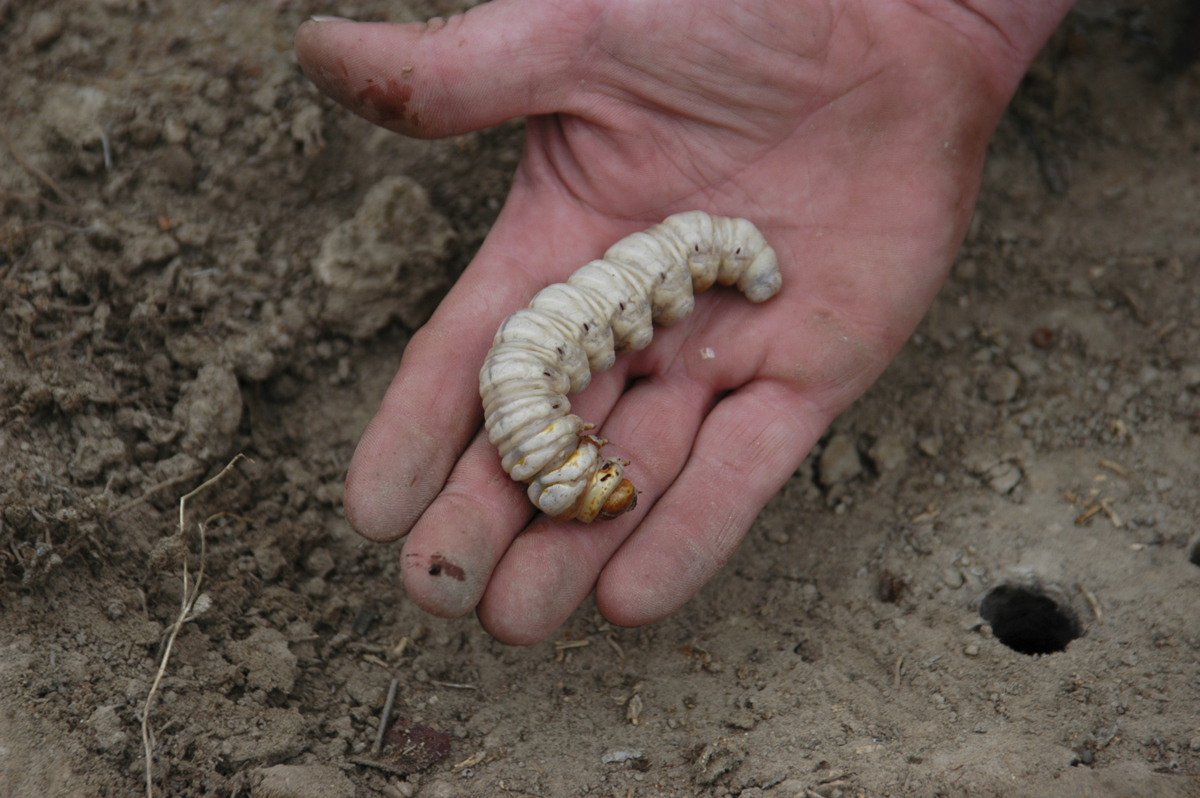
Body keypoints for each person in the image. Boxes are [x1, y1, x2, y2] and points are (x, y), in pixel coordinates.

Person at [295, 0, 1075, 645]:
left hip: (706, 250)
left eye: (593, 475)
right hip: (688, 257)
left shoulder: (543, 386)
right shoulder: (531, 390)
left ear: (570, 457)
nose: (609, 472)